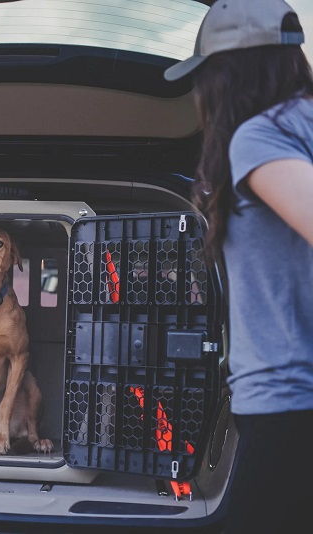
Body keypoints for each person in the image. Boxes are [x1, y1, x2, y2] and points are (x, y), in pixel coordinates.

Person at [164, 0, 313, 531]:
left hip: (289, 409)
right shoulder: (302, 125)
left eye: (205, 77)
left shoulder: (257, 135)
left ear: (230, 72)